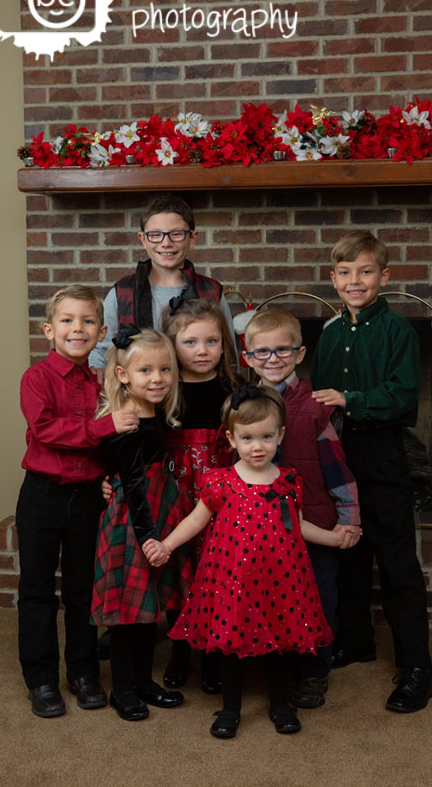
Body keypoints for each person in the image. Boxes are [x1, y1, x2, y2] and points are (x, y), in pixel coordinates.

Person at [145, 387, 335, 738]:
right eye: (247, 438)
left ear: (280, 434)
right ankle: (230, 708)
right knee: (230, 648)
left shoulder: (289, 483)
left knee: (279, 645)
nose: (257, 446)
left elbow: (297, 525)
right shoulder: (220, 482)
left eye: (265, 436)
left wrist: (333, 537)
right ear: (232, 439)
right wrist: (167, 544)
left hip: (280, 581)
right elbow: (195, 520)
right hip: (232, 581)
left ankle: (281, 705)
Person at [309, 230, 432, 713]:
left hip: (382, 455)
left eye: (365, 271)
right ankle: (356, 640)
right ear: (333, 278)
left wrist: (352, 400)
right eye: (344, 272)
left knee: (397, 562)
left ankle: (418, 668)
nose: (354, 280)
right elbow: (319, 395)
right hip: (338, 457)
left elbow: (403, 399)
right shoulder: (331, 333)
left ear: (385, 276)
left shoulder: (398, 332)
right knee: (350, 555)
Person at [16, 285, 139, 718]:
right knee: (36, 590)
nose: (77, 328)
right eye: (67, 320)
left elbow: (107, 449)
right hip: (42, 496)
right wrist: (106, 428)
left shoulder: (103, 382)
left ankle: (83, 672)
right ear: (50, 330)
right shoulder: (36, 378)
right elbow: (46, 431)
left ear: (102, 331)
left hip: (88, 499)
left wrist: (109, 476)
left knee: (84, 591)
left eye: (88, 321)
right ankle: (41, 678)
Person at [242, 307, 361, 709]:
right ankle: (277, 667)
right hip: (263, 530)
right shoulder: (243, 407)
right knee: (272, 597)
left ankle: (313, 672)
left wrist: (349, 520)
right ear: (248, 358)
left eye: (282, 350)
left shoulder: (316, 408)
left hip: (316, 523)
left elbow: (338, 471)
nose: (272, 359)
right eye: (262, 352)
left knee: (316, 598)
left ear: (299, 353)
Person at [92, 326, 186, 721]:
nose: (158, 378)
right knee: (127, 610)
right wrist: (150, 538)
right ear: (123, 375)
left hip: (159, 515)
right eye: (146, 371)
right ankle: (124, 688)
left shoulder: (158, 416)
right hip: (132, 524)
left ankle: (145, 681)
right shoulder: (125, 423)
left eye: (165, 370)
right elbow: (131, 484)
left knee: (149, 607)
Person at [158, 297, 239, 693]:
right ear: (173, 345)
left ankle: (211, 651)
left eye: (211, 341)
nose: (202, 351)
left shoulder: (233, 389)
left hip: (221, 501)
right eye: (190, 342)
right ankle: (178, 648)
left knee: (214, 570)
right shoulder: (163, 390)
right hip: (175, 495)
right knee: (177, 567)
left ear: (224, 345)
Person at [90, 195, 234, 370]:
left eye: (176, 234)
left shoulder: (211, 291)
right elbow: (101, 350)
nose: (166, 243)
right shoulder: (122, 293)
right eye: (155, 235)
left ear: (193, 238)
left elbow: (228, 352)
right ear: (143, 239)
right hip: (138, 393)